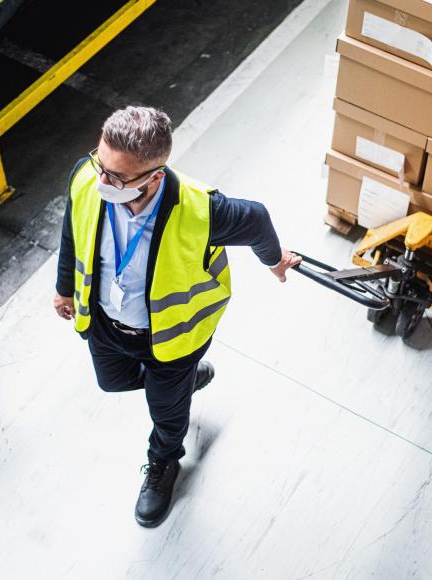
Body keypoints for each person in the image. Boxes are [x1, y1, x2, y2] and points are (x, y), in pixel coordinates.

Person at [53, 106, 302, 528]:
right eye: (101, 163)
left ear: (153, 176)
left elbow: (257, 219)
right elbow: (72, 230)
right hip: (107, 325)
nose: (102, 181)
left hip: (171, 340)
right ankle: (183, 383)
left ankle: (164, 462)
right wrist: (64, 287)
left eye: (117, 177)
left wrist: (275, 261)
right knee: (111, 382)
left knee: (167, 416)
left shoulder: (202, 212)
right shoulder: (87, 177)